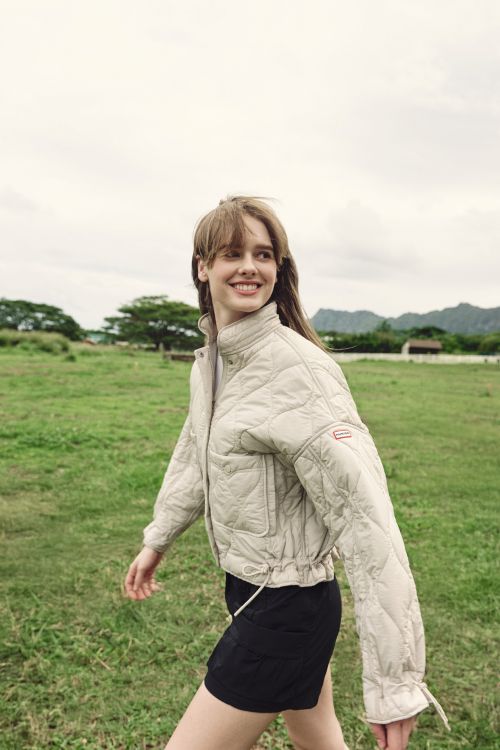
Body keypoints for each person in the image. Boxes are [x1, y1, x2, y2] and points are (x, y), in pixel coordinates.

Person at [124, 195, 450, 750]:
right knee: (316, 738)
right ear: (203, 267)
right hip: (253, 589)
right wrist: (157, 540)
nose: (249, 266)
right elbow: (194, 456)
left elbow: (367, 523)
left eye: (263, 254)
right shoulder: (215, 362)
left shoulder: (298, 370)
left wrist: (395, 684)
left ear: (279, 267)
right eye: (232, 253)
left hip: (286, 609)